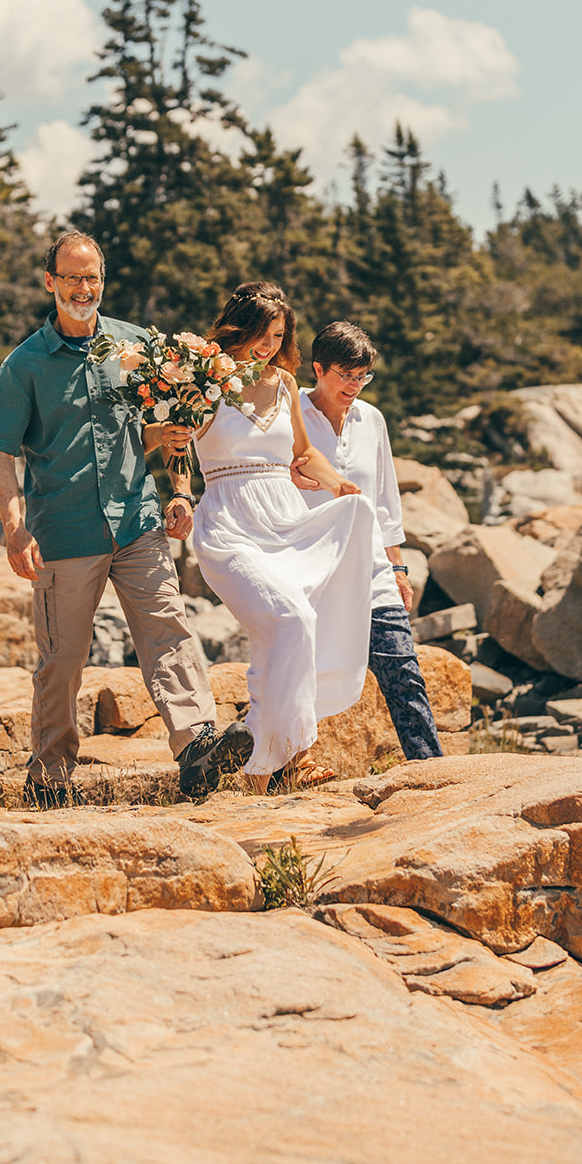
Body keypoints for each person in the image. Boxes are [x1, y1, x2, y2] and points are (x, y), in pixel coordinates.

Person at [0, 229, 253, 806]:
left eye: (93, 276)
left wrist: (179, 487)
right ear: (50, 282)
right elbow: (1, 453)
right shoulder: (24, 365)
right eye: (73, 277)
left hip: (136, 522)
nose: (84, 287)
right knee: (64, 660)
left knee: (169, 631)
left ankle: (198, 744)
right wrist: (14, 528)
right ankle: (50, 776)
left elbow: (168, 421)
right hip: (65, 533)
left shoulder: (135, 348)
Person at [190, 283, 395, 794]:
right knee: (291, 617)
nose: (267, 345)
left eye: (278, 335)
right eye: (261, 333)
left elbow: (304, 454)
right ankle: (273, 757)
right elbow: (166, 441)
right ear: (239, 328)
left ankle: (278, 765)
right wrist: (174, 488)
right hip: (229, 520)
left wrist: (338, 485)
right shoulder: (199, 379)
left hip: (283, 516)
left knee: (286, 631)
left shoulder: (283, 383)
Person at [299, 322, 443, 762]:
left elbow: (384, 502)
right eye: (346, 375)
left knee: (402, 668)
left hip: (371, 568)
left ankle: (430, 770)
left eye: (363, 376)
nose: (355, 385)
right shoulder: (291, 414)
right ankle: (281, 767)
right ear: (318, 368)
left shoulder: (372, 419)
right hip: (309, 565)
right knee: (300, 672)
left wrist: (397, 568)